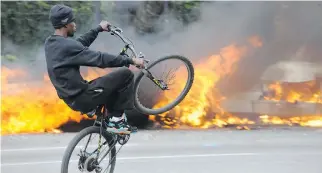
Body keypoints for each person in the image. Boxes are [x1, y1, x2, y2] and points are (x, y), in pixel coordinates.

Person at [44, 4, 144, 134]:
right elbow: (99, 59)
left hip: (71, 98)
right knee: (126, 74)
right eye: (72, 21)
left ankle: (109, 120)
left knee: (111, 85)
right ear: (65, 24)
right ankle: (117, 122)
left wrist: (98, 29)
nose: (75, 24)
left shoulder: (51, 43)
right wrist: (130, 60)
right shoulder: (67, 46)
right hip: (83, 97)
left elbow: (77, 45)